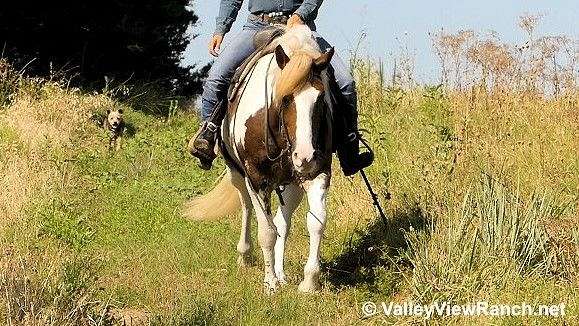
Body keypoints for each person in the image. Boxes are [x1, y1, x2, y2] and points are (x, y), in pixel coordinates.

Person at [189, 0, 373, 176]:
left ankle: (349, 150)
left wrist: (300, 15)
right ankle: (208, 132)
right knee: (216, 77)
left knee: (345, 82)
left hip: (300, 28)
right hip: (257, 27)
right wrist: (221, 29)